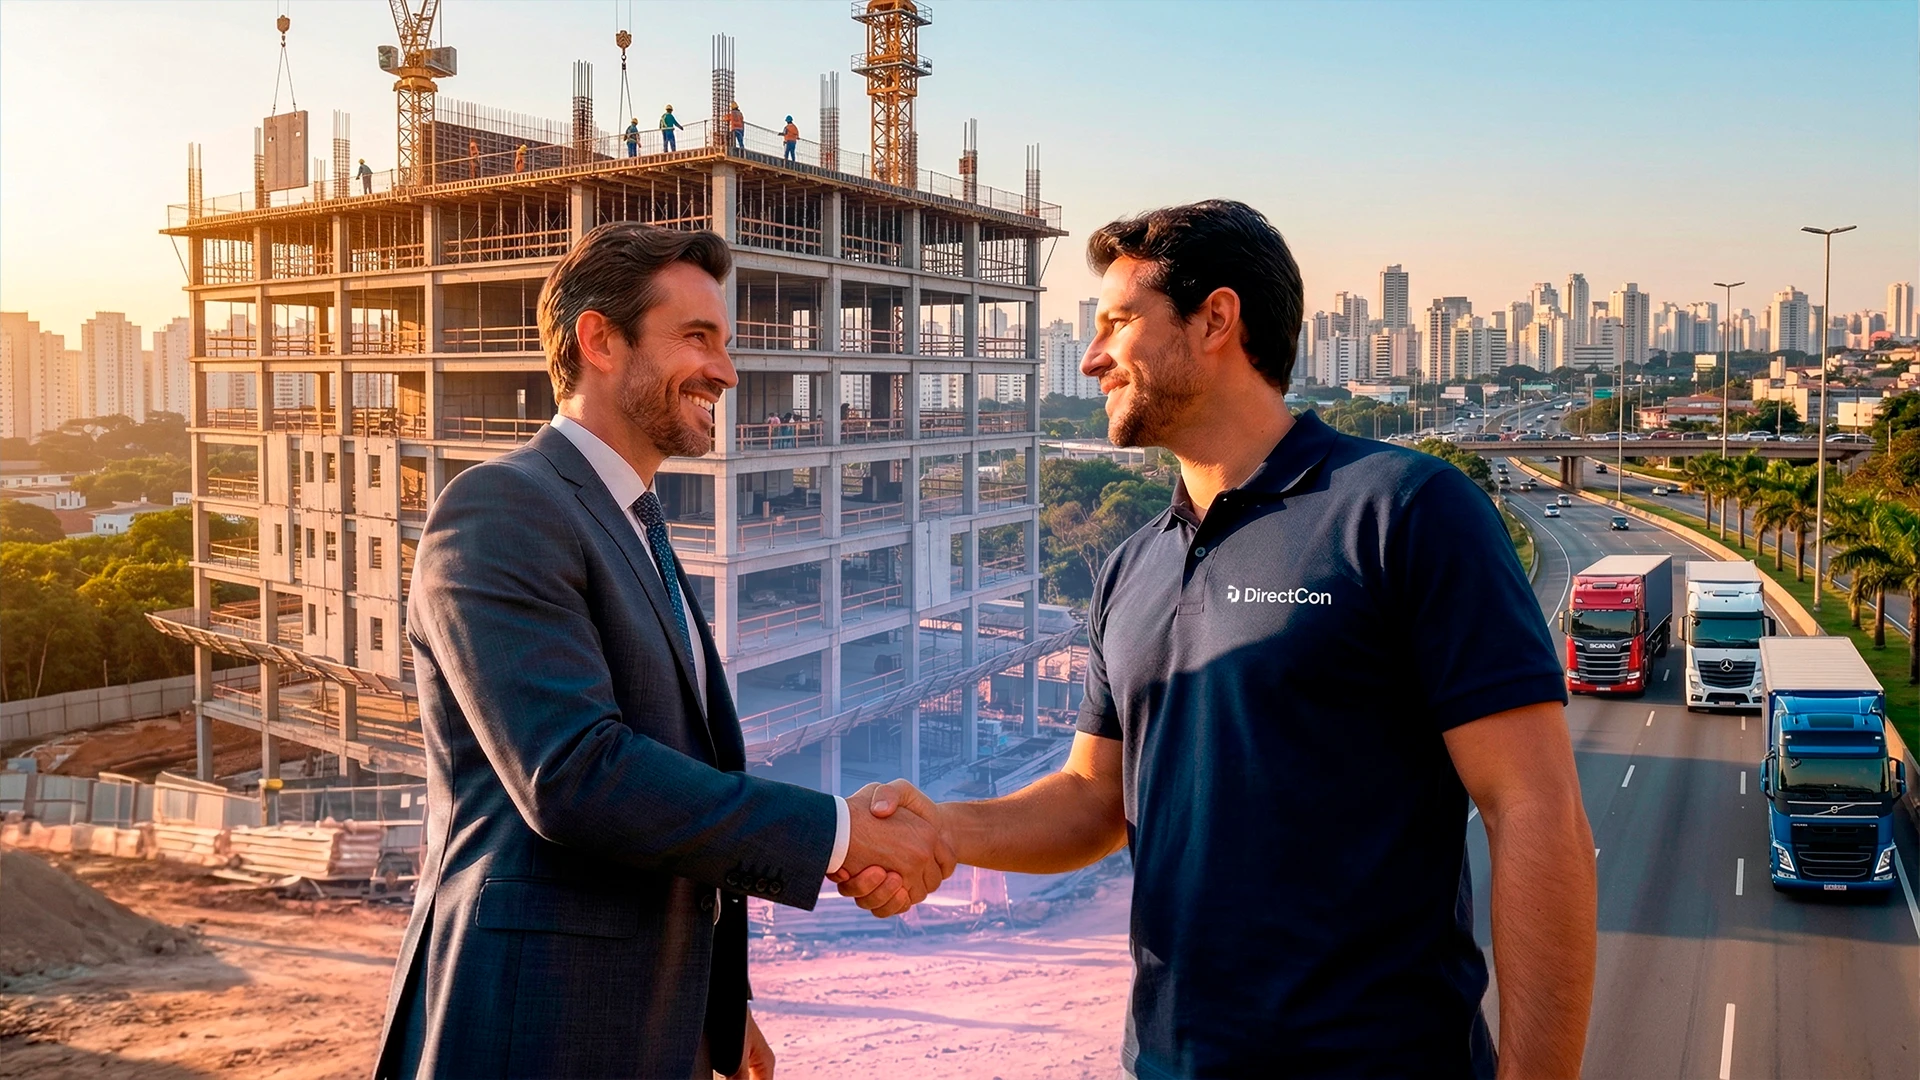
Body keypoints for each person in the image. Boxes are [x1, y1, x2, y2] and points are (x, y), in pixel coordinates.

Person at [838, 200, 1597, 1079]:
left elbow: (1534, 810)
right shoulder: (1131, 566)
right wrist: (941, 828)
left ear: (1215, 319)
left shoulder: (1406, 511)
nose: (1090, 359)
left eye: (1118, 323)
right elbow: (1093, 801)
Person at [372, 222, 955, 1080]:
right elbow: (575, 774)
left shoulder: (637, 525)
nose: (726, 371)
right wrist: (839, 836)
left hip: (650, 1023)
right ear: (600, 341)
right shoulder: (501, 507)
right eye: (697, 337)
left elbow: (679, 775)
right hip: (531, 1028)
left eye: (724, 343)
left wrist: (720, 1002)